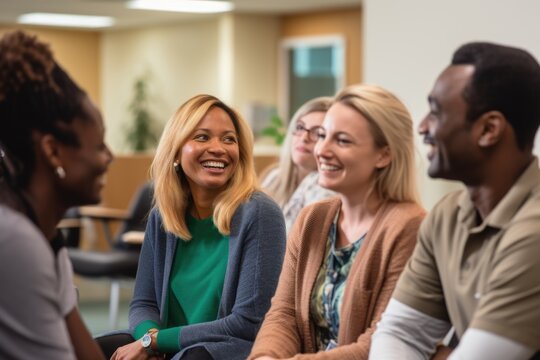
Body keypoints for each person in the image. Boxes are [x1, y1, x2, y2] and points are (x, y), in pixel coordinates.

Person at [369, 42, 540, 360]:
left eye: (436, 112)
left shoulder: (534, 231)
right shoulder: (446, 215)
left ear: (489, 129)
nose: (422, 127)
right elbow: (401, 332)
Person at [249, 84, 425, 359]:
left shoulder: (408, 226)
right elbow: (283, 314)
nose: (322, 150)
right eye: (323, 136)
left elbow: (383, 341)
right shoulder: (312, 219)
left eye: (342, 141)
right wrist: (266, 356)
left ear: (384, 154)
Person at [110, 94, 287, 360]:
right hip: (167, 348)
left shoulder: (260, 213)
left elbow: (248, 323)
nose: (218, 148)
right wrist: (149, 339)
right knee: (98, 347)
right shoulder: (163, 217)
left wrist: (155, 343)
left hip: (223, 350)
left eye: (229, 139)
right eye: (202, 137)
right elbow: (143, 304)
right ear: (176, 152)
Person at [0, 31, 111, 359]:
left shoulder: (44, 237)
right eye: (99, 145)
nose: (109, 157)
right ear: (53, 151)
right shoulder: (14, 240)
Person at [260, 97, 336, 231]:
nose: (304, 138)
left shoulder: (326, 189)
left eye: (317, 133)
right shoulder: (275, 177)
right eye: (300, 127)